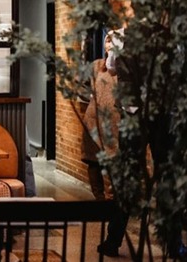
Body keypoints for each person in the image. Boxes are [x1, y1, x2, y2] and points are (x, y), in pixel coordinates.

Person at [80, 30, 128, 257]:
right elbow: (83, 88)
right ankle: (102, 205)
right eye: (107, 41)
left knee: (117, 178)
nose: (109, 45)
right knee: (94, 163)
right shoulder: (97, 66)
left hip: (120, 128)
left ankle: (111, 211)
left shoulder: (128, 70)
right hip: (94, 123)